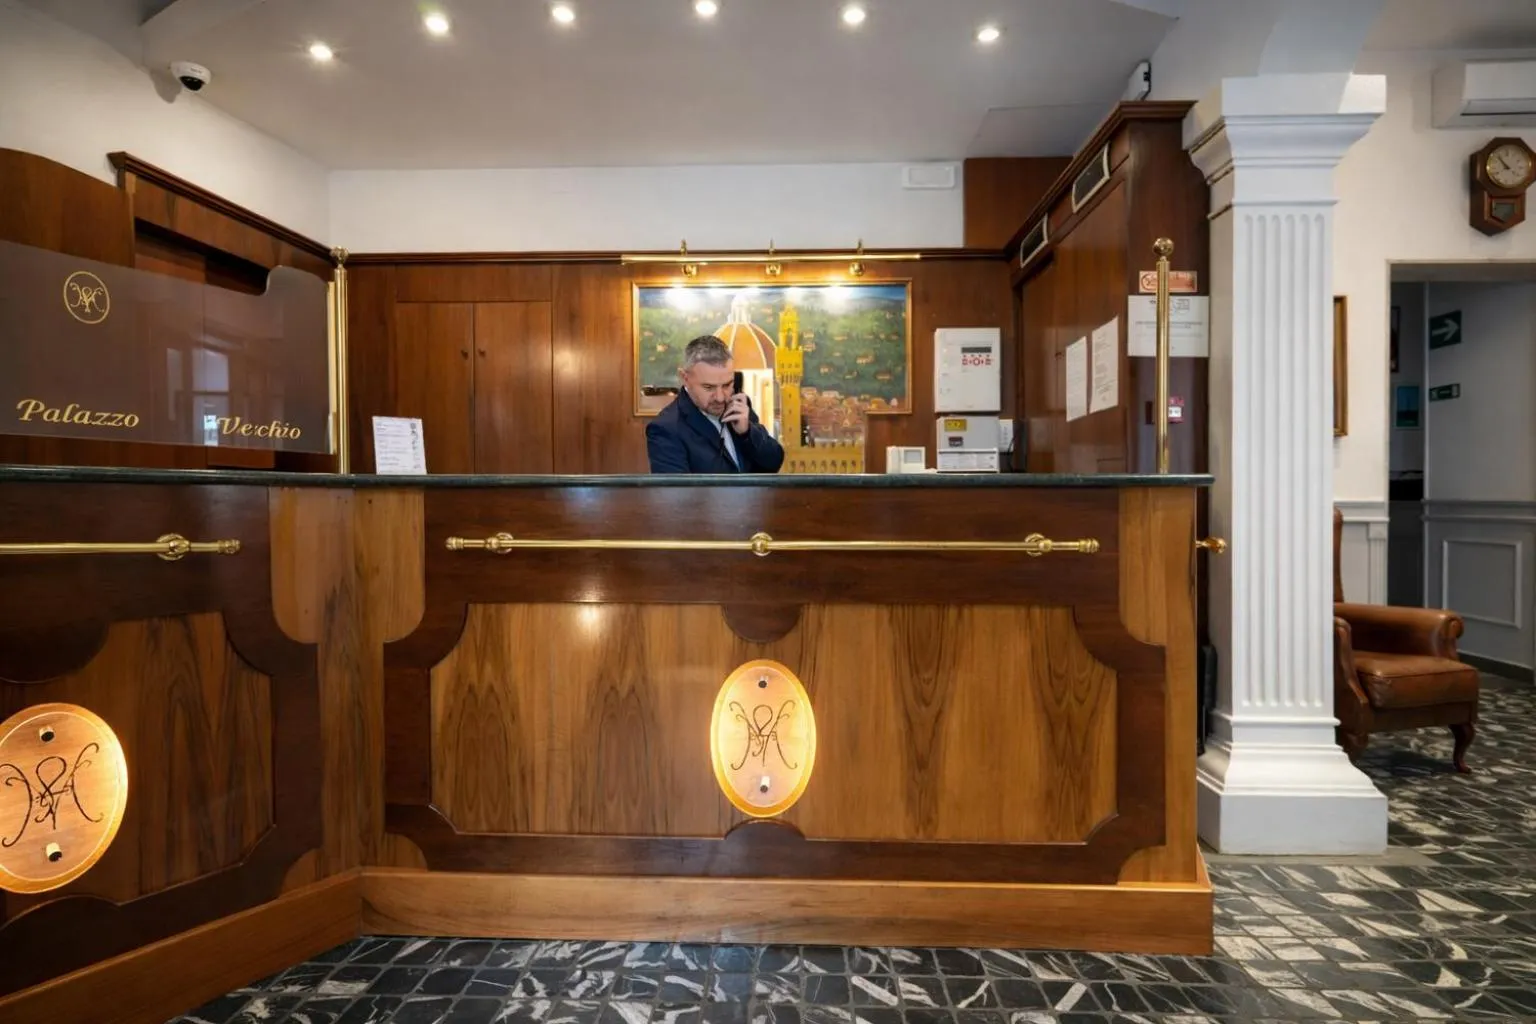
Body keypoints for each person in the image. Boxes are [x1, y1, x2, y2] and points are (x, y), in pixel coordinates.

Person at [646, 336, 785, 474]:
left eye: (727, 385)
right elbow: (676, 495)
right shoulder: (666, 429)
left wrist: (747, 433)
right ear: (685, 378)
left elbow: (774, 462)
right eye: (708, 387)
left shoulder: (738, 404)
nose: (720, 398)